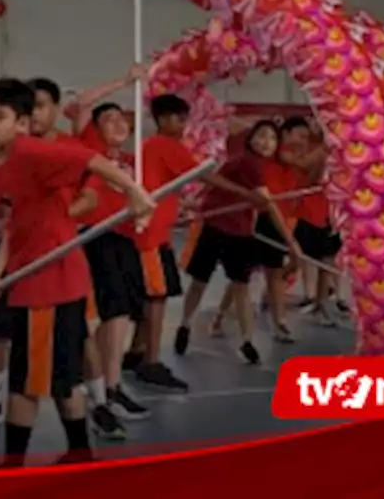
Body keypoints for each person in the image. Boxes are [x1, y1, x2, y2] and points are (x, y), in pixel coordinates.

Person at [0, 78, 154, 467]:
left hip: (50, 284)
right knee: (59, 376)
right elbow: (13, 226)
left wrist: (133, 191)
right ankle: (79, 454)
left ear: (21, 123)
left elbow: (89, 160)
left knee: (27, 380)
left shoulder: (30, 151)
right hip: (28, 278)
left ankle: (13, 465)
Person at [181, 120, 303, 364]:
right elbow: (267, 205)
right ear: (250, 139)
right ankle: (184, 325)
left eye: (272, 138)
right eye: (262, 136)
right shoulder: (246, 161)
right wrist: (292, 244)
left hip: (241, 230)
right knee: (200, 282)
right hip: (216, 227)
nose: (266, 142)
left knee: (241, 285)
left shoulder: (260, 165)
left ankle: (247, 340)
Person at [75, 102, 154, 431]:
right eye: (109, 119)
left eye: (122, 119)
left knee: (121, 314)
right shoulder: (91, 151)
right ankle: (106, 388)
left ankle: (113, 384)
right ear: (95, 128)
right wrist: (125, 79)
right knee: (112, 311)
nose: (118, 124)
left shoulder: (131, 161)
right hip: (98, 235)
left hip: (125, 239)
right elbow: (79, 106)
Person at [278, 117, 341, 327]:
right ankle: (274, 289)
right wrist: (326, 148)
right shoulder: (283, 152)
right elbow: (306, 168)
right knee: (297, 260)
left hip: (327, 211)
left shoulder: (316, 150)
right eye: (300, 135)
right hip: (303, 212)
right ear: (287, 134)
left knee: (327, 261)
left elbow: (315, 175)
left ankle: (321, 304)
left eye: (306, 136)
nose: (304, 139)